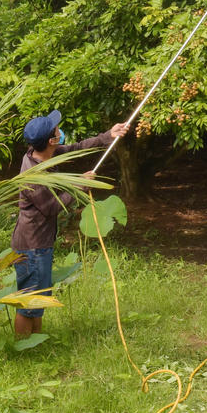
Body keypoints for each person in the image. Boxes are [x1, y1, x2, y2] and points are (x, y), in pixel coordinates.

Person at [11, 109, 129, 338]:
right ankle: (23, 347)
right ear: (51, 140)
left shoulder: (42, 153)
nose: (59, 131)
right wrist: (80, 185)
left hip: (39, 243)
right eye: (56, 130)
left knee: (38, 299)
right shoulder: (34, 175)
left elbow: (75, 149)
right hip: (32, 246)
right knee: (28, 303)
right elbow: (51, 207)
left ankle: (35, 345)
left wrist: (108, 136)